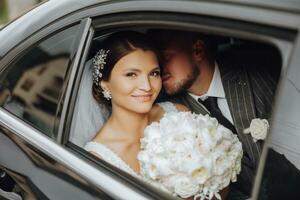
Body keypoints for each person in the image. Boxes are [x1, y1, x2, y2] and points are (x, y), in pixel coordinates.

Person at [150, 29, 278, 199]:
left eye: (165, 58)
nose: (159, 69)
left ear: (198, 51)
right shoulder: (172, 116)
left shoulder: (260, 70)